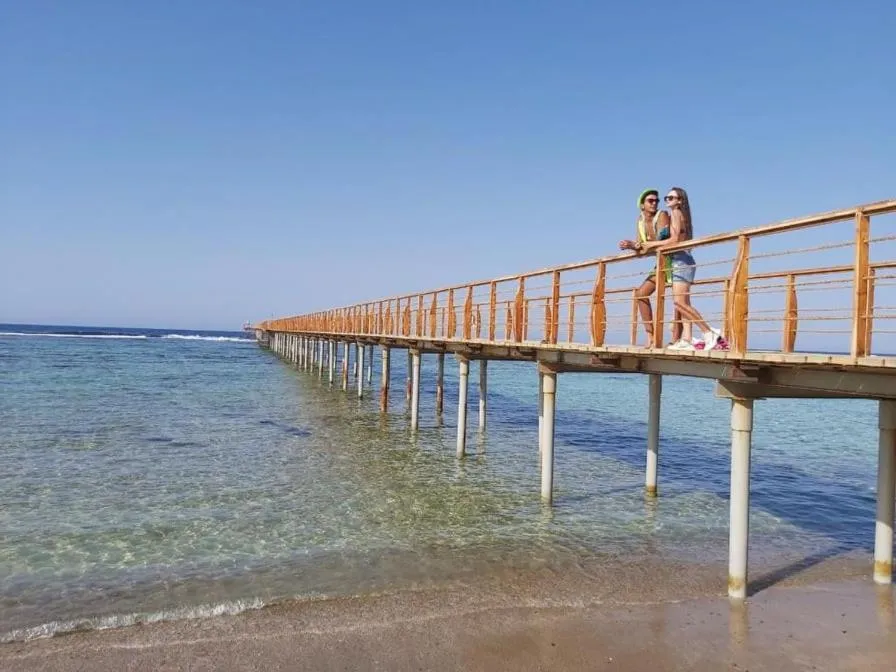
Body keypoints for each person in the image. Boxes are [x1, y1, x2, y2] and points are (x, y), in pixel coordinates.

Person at [633, 187, 724, 351]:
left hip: (680, 261)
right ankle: (687, 339)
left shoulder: (674, 214)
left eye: (671, 198)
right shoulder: (677, 214)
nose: (666, 201)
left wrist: (651, 244)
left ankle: (710, 333)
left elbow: (674, 240)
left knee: (680, 303)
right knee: (683, 302)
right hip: (679, 260)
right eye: (667, 198)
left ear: (680, 200)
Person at [619, 189, 682, 345]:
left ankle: (677, 339)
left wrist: (641, 246)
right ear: (642, 205)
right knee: (641, 294)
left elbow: (665, 241)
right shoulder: (640, 221)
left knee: (679, 300)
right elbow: (642, 249)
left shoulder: (662, 216)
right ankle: (651, 336)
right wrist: (631, 246)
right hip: (661, 262)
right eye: (650, 201)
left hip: (675, 260)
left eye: (656, 201)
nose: (654, 203)